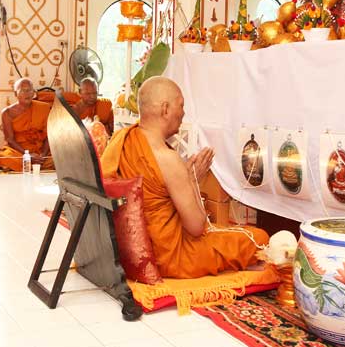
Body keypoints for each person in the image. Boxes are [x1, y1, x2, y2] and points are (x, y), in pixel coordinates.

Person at [101, 76, 268, 279]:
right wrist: (192, 179)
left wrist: (186, 177)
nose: (183, 113)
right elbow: (197, 227)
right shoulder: (167, 158)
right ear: (165, 109)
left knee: (229, 234)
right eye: (181, 106)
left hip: (130, 247)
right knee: (259, 238)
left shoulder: (123, 138)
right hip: (170, 257)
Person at [0, 78, 54, 171]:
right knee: (6, 159)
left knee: (58, 158)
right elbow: (10, 139)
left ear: (33, 93)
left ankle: (38, 164)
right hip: (19, 151)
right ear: (15, 93)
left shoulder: (44, 108)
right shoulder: (7, 113)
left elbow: (49, 135)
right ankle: (33, 166)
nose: (27, 93)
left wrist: (43, 155)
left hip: (40, 150)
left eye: (30, 90)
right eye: (23, 90)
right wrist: (27, 155)